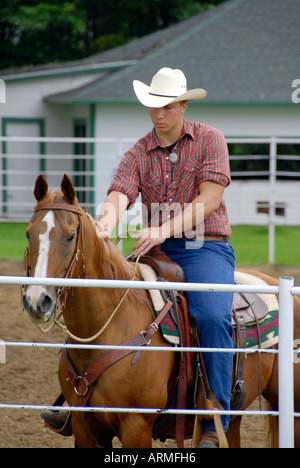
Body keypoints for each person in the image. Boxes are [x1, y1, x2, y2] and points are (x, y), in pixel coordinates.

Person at [42, 67, 235, 448]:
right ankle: (79, 397)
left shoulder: (211, 139)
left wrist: (163, 229)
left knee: (212, 316)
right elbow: (119, 194)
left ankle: (215, 418)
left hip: (204, 246)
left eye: (166, 106)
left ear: (182, 105)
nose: (158, 113)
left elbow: (210, 199)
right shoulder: (138, 151)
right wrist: (105, 222)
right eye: (152, 106)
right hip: (155, 250)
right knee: (102, 300)